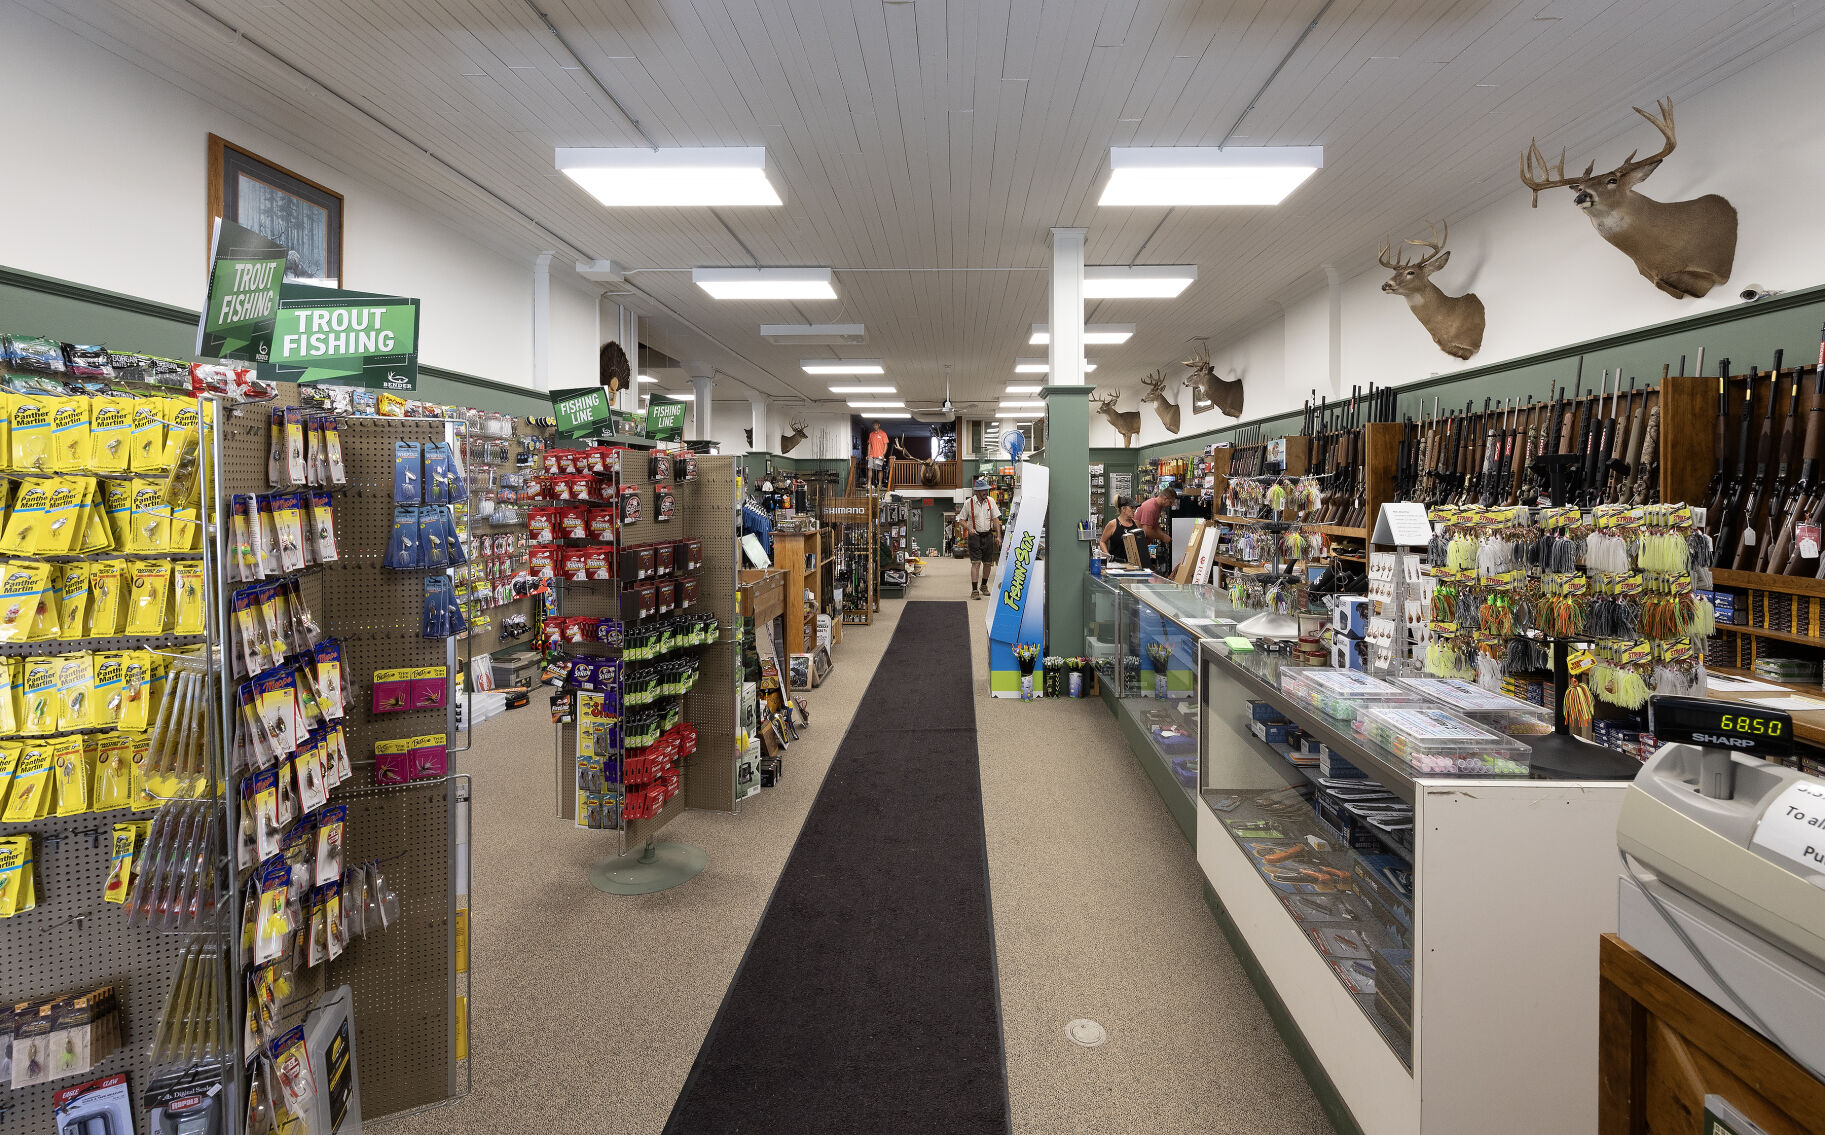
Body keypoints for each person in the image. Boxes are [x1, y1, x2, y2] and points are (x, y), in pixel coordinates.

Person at [960, 478, 1002, 599]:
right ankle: (974, 591)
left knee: (988, 563)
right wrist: (969, 529)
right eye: (983, 490)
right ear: (976, 492)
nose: (986, 492)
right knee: (976, 563)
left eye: (986, 489)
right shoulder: (969, 503)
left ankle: (983, 586)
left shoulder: (991, 501)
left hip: (988, 535)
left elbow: (996, 519)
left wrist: (998, 536)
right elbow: (961, 520)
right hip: (975, 536)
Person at [1133, 485, 1178, 573]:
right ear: (1165, 498)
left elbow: (1155, 526)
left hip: (1142, 543)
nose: (1171, 505)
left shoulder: (1158, 506)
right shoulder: (1151, 507)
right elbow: (1146, 530)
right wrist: (1162, 537)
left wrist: (1163, 535)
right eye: (1170, 502)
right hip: (1136, 545)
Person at [1100, 496, 1139, 561]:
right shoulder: (1112, 524)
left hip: (1133, 564)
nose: (1134, 510)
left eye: (1135, 508)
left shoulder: (1136, 524)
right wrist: (1108, 557)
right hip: (1116, 565)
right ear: (1123, 509)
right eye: (1131, 507)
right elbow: (1102, 542)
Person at [865, 421, 890, 491]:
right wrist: (868, 454)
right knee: (870, 468)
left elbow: (886, 445)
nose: (875, 426)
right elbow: (869, 444)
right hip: (871, 455)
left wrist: (883, 454)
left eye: (876, 425)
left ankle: (879, 484)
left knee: (879, 470)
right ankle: (869, 483)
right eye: (874, 425)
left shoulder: (883, 434)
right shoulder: (871, 434)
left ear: (879, 425)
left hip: (879, 455)